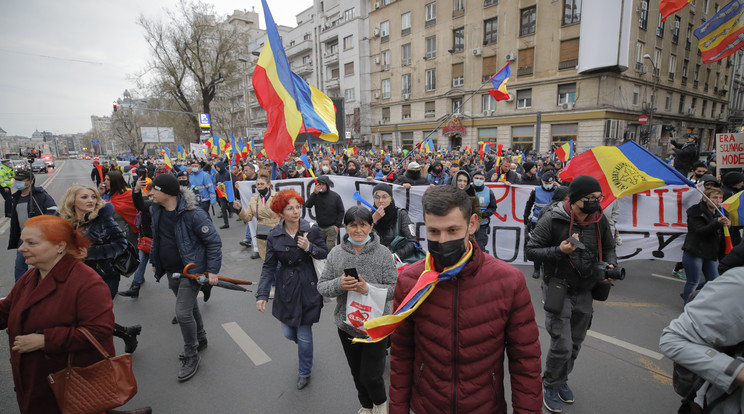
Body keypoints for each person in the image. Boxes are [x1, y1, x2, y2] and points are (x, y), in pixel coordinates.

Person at [389, 185, 542, 413]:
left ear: (471, 224)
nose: (442, 241)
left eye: (452, 230)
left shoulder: (509, 281)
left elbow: (526, 361)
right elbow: (401, 356)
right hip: (427, 406)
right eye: (433, 232)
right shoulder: (411, 281)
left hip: (484, 406)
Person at [0, 215, 116, 414]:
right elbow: (6, 310)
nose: (21, 248)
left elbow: (99, 331)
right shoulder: (31, 276)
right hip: (34, 383)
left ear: (59, 246)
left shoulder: (87, 282)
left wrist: (45, 340)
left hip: (72, 389)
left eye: (31, 243)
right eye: (22, 241)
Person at [525, 175, 619, 413]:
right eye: (590, 198)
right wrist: (560, 250)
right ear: (576, 199)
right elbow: (532, 251)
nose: (595, 203)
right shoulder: (553, 219)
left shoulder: (600, 221)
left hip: (586, 288)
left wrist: (609, 267)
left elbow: (608, 248)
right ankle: (549, 384)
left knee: (576, 343)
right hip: (558, 287)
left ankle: (561, 379)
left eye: (598, 198)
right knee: (562, 344)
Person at [317, 206, 398, 414]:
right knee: (356, 372)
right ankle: (366, 406)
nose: (358, 230)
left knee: (371, 375)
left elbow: (395, 288)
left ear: (371, 226)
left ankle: (381, 405)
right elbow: (322, 285)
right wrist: (339, 284)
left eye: (363, 225)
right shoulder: (336, 253)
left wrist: (369, 289)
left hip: (376, 327)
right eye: (353, 225)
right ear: (345, 227)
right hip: (347, 326)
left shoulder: (383, 253)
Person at [149, 173, 221, 381]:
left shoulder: (193, 214)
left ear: (167, 192)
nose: (151, 192)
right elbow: (158, 238)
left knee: (182, 313)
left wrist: (213, 271)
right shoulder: (157, 210)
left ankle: (191, 353)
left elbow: (213, 243)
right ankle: (200, 337)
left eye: (154, 189)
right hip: (170, 270)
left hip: (191, 271)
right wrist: (156, 262)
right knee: (189, 307)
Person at [255, 189, 328, 390]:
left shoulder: (311, 230)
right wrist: (262, 294)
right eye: (290, 208)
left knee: (304, 334)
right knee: (288, 332)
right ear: (281, 213)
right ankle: (306, 348)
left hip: (308, 286)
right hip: (285, 287)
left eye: (298, 207)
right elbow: (269, 266)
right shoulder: (274, 235)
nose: (295, 212)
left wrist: (309, 247)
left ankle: (304, 372)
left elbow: (324, 253)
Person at [58, 184, 141, 353]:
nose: (91, 200)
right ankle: (126, 333)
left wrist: (88, 253)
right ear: (72, 200)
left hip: (104, 277)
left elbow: (120, 244)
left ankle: (102, 359)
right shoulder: (62, 220)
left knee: (92, 318)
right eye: (84, 197)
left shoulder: (103, 218)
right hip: (74, 277)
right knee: (86, 318)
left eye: (93, 197)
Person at [659, 267, 744, 414]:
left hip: (707, 255)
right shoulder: (740, 283)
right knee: (693, 281)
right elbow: (673, 338)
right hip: (721, 405)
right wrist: (737, 371)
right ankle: (689, 306)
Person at [680, 187, 730, 304]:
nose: (717, 200)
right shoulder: (695, 211)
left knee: (714, 280)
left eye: (720, 198)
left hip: (711, 251)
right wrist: (716, 223)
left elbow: (725, 235)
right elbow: (700, 231)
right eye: (714, 197)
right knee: (693, 281)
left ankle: (689, 293)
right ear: (705, 198)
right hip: (695, 250)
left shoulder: (722, 212)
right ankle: (688, 306)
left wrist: (729, 226)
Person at [7, 169, 57, 282]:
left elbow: (54, 211)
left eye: (21, 180)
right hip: (23, 239)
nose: (17, 182)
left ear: (29, 182)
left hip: (41, 238)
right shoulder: (16, 197)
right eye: (16, 180)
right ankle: (20, 289)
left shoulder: (40, 195)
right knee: (20, 265)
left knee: (42, 264)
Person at [119, 176, 154, 298]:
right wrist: (136, 190)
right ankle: (135, 287)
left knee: (173, 271)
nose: (148, 193)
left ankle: (199, 285)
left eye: (148, 190)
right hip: (146, 241)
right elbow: (139, 205)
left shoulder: (161, 206)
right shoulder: (148, 204)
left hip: (161, 243)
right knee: (141, 262)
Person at [234, 170, 280, 260]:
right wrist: (239, 209)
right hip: (262, 235)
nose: (259, 186)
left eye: (262, 184)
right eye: (258, 184)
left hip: (277, 233)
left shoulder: (278, 197)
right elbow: (247, 218)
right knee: (267, 262)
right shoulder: (253, 200)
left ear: (268, 184)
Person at [370, 183, 418, 263]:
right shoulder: (369, 216)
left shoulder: (400, 214)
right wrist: (372, 221)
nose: (380, 201)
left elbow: (412, 241)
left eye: (384, 197)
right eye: (377, 197)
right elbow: (361, 241)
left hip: (397, 262)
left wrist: (395, 256)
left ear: (391, 198)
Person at [523, 171, 557, 279]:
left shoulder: (557, 191)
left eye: (549, 182)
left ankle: (548, 269)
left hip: (553, 222)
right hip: (537, 222)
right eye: (545, 182)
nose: (547, 184)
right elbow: (528, 206)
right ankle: (536, 269)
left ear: (553, 181)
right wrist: (525, 220)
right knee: (537, 246)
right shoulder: (535, 191)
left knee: (551, 246)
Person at [304, 175, 345, 249]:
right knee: (320, 247)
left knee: (329, 248)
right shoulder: (315, 195)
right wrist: (314, 193)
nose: (321, 186)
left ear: (327, 185)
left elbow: (341, 211)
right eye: (319, 184)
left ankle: (330, 260)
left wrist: (337, 226)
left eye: (323, 184)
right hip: (320, 227)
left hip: (331, 228)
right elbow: (308, 205)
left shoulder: (335, 196)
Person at [102, 170, 139, 245]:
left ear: (115, 181)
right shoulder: (110, 195)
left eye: (108, 180)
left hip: (129, 232)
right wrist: (100, 194)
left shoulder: (128, 194)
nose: (105, 182)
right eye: (105, 179)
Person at [471, 170, 497, 252]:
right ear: (473, 179)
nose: (478, 180)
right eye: (476, 178)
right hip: (468, 225)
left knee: (480, 248)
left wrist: (484, 214)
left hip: (482, 225)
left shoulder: (489, 192)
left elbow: (493, 207)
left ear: (484, 179)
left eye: (481, 178)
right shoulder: (467, 190)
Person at [213, 161, 233, 229]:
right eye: (216, 167)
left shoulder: (228, 174)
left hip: (228, 192)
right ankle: (226, 223)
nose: (217, 168)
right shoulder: (217, 175)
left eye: (218, 167)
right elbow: (216, 182)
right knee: (223, 208)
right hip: (221, 193)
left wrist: (224, 183)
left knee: (233, 207)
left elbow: (232, 182)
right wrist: (218, 184)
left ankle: (243, 217)